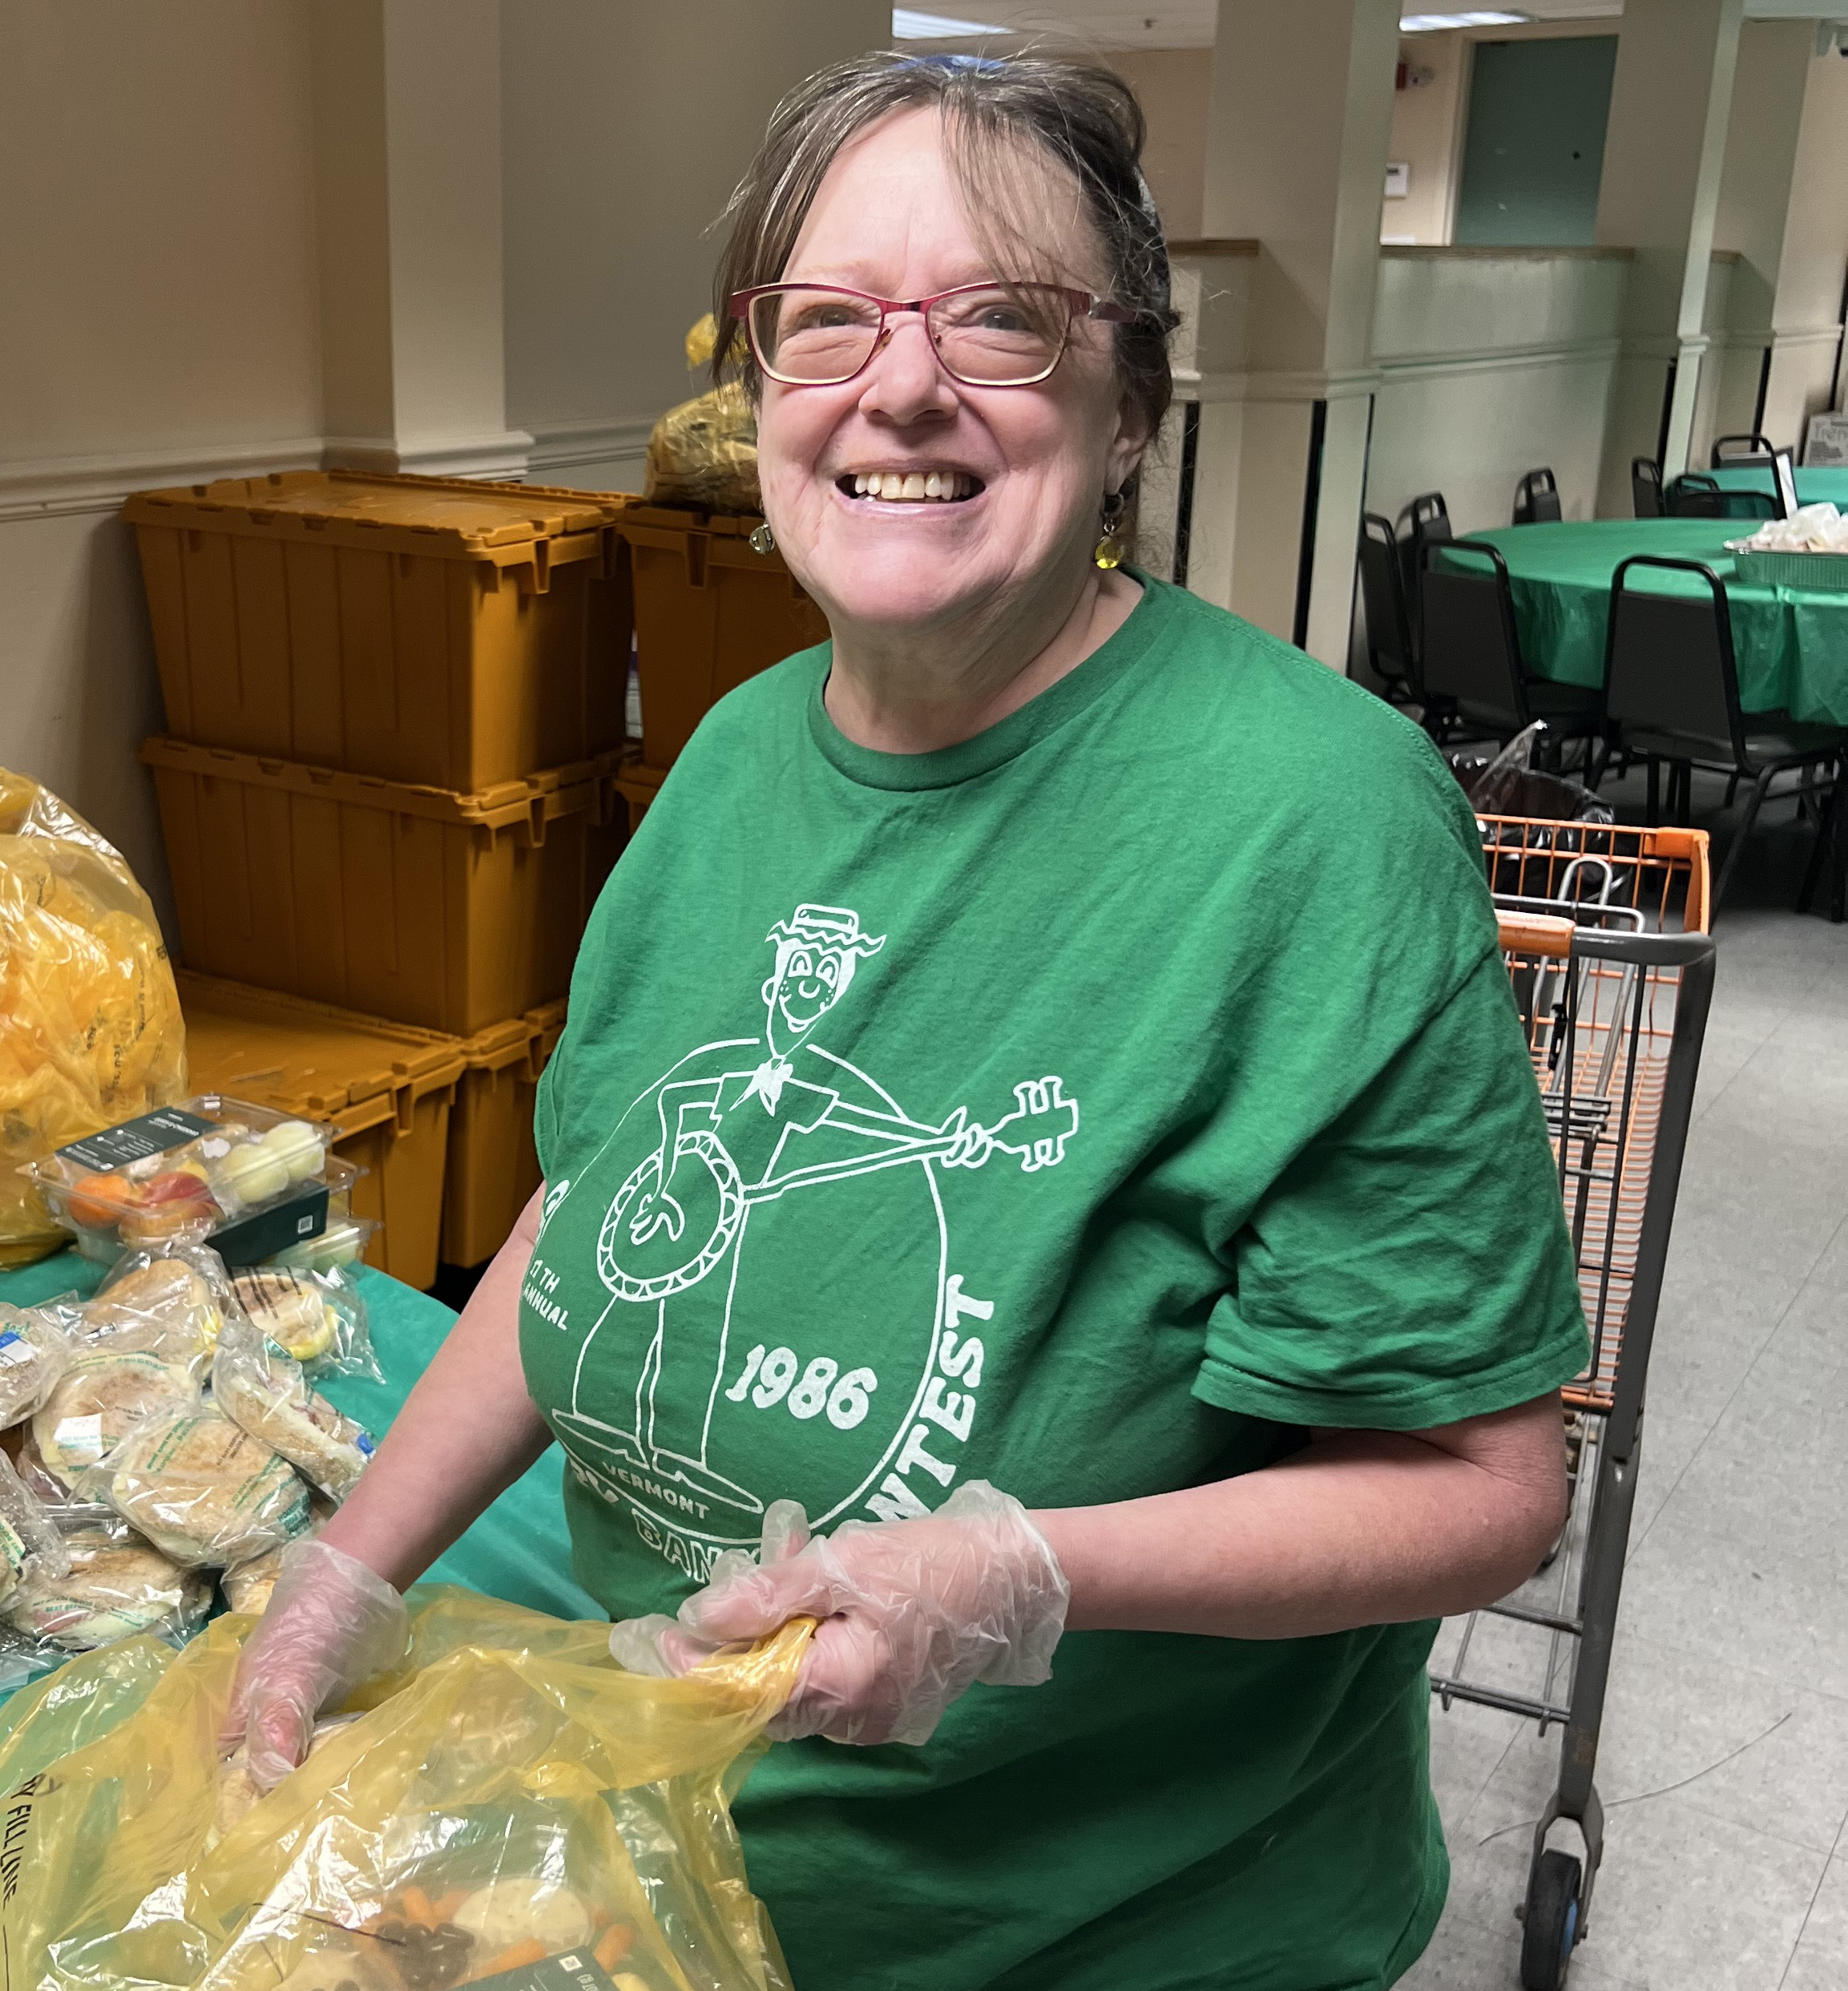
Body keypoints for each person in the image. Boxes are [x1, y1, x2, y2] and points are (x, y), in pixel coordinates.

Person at [226, 48, 1584, 1991]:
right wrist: (345, 1576)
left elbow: (1484, 1490)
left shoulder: (1317, 823)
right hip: (676, 1874)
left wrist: (1024, 1571)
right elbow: (589, 1223)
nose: (903, 384)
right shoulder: (725, 768)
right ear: (758, 384)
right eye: (826, 321)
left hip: (1110, 1926)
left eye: (1006, 324)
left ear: (1132, 408)